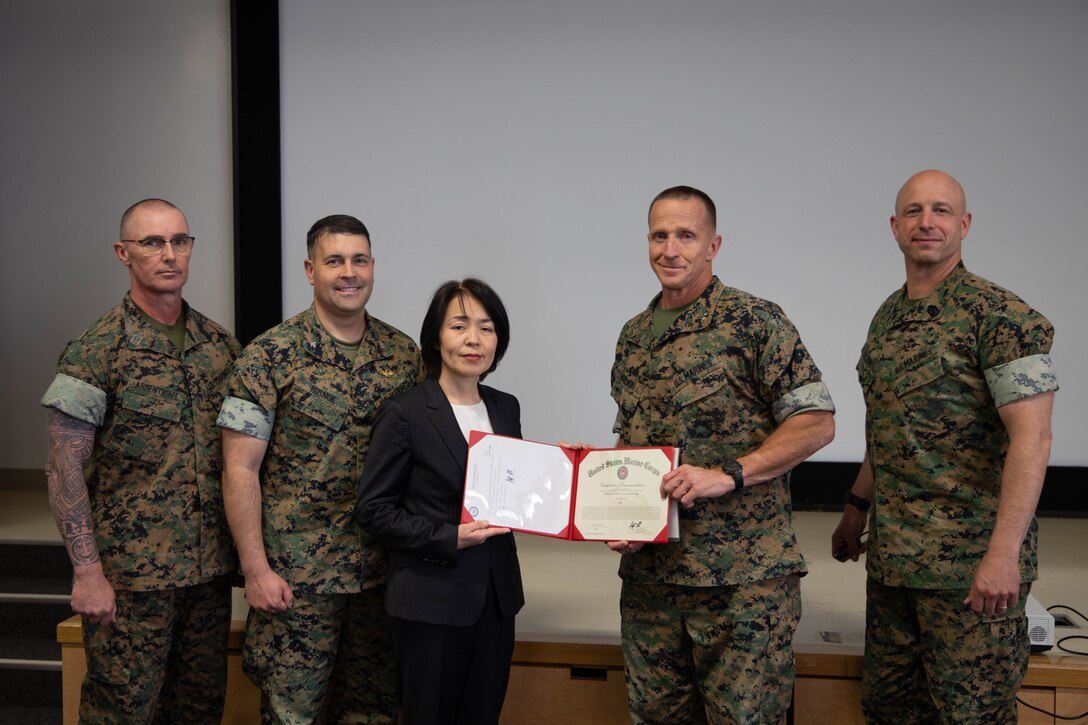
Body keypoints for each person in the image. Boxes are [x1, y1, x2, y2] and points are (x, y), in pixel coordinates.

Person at [831, 169, 1058, 723]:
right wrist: (855, 510)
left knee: (970, 716)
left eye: (940, 210)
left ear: (964, 224)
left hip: (969, 572)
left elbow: (1033, 438)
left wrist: (1003, 556)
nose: (926, 222)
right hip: (895, 568)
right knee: (890, 711)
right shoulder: (887, 318)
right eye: (913, 211)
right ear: (894, 226)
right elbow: (888, 432)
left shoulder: (1001, 317)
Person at [607, 186, 835, 724]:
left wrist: (729, 475)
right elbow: (630, 441)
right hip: (652, 582)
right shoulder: (633, 336)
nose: (671, 250)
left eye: (686, 236)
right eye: (660, 236)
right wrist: (609, 505)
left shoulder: (756, 321)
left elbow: (817, 423)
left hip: (741, 586)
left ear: (714, 245)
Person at [40, 199, 240, 723]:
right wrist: (86, 572)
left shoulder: (221, 348)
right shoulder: (95, 350)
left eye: (180, 241)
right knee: (122, 711)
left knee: (198, 709)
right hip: (130, 581)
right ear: (123, 252)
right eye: (152, 242)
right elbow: (63, 468)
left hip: (208, 574)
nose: (169, 254)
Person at [218, 214, 421, 723]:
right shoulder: (267, 357)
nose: (348, 272)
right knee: (292, 715)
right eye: (334, 261)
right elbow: (238, 470)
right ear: (310, 270)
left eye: (359, 260)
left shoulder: (403, 356)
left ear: (373, 267)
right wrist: (256, 569)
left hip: (381, 577)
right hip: (297, 580)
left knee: (376, 711)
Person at [355, 278, 524, 725]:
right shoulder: (405, 411)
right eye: (460, 326)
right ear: (435, 336)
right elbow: (373, 510)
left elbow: (513, 492)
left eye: (487, 328)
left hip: (496, 600)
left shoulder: (506, 407)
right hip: (429, 601)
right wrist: (448, 537)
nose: (474, 340)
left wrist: (563, 472)